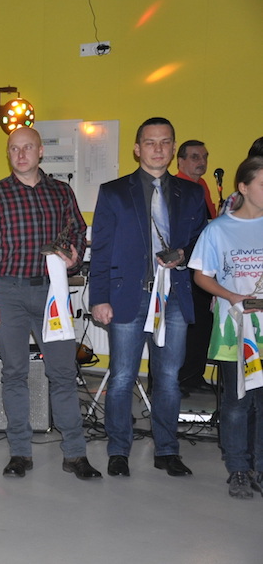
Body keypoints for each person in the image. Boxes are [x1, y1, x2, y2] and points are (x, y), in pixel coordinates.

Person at [0, 126, 100, 480]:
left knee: (63, 373)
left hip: (51, 293)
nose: (21, 154)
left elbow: (78, 232)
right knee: (14, 373)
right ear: (8, 154)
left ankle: (75, 454)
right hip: (7, 292)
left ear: (41, 151)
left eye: (27, 147)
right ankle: (20, 453)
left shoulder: (61, 192)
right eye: (14, 149)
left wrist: (74, 256)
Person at [91, 117, 208, 478]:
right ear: (137, 148)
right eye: (150, 142)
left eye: (165, 142)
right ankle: (118, 450)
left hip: (174, 298)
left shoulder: (191, 194)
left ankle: (167, 450)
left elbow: (202, 241)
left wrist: (184, 254)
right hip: (129, 296)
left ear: (173, 149)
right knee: (122, 376)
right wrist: (99, 298)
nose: (158, 149)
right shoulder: (113, 192)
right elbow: (102, 249)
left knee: (169, 378)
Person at [188, 155, 263, 499]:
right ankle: (238, 469)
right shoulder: (218, 230)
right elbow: (201, 276)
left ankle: (259, 467)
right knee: (237, 401)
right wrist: (232, 296)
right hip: (236, 328)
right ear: (243, 187)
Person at [176, 140, 216, 395]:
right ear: (180, 161)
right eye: (194, 157)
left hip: (203, 262)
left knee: (202, 322)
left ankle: (193, 375)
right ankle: (178, 378)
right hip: (185, 265)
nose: (201, 162)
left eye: (204, 157)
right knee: (184, 325)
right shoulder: (178, 188)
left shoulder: (202, 186)